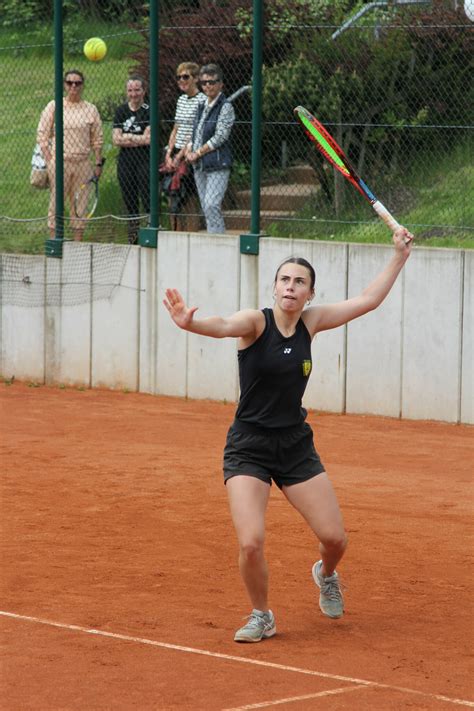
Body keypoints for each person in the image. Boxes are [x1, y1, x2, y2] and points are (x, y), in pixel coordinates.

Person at [163, 226, 414, 643]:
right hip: (248, 445)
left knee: (334, 538)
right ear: (274, 286)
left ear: (310, 294)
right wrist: (191, 324)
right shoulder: (255, 323)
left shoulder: (311, 324)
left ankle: (326, 574)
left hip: (295, 445)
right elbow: (223, 323)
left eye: (299, 282)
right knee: (251, 543)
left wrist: (399, 256)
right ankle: (262, 615)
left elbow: (368, 301)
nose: (291, 287)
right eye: (284, 279)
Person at [37, 69, 104, 241]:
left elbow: (97, 138)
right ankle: (55, 241)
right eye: (69, 83)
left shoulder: (90, 109)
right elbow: (42, 134)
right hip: (60, 162)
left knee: (80, 204)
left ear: (82, 85)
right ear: (64, 85)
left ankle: (77, 244)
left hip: (83, 163)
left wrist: (98, 162)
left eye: (78, 83)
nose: (74, 86)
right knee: (56, 201)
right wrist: (50, 159)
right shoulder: (54, 106)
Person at [185, 64, 235, 234]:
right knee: (206, 208)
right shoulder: (201, 106)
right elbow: (196, 133)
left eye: (212, 82)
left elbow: (220, 137)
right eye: (205, 83)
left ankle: (218, 239)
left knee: (212, 204)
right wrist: (189, 149)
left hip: (217, 163)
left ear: (221, 84)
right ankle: (212, 237)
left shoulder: (225, 107)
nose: (208, 86)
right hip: (199, 165)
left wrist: (198, 152)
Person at [162, 62, 205, 231]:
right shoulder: (181, 100)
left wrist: (180, 156)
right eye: (179, 77)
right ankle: (175, 232)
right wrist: (169, 153)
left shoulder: (202, 100)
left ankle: (193, 231)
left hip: (190, 153)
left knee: (189, 197)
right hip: (176, 153)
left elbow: (195, 131)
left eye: (186, 77)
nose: (181, 80)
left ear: (195, 79)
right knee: (172, 196)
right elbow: (176, 128)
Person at [113, 75, 151, 244]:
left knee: (147, 195)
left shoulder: (149, 110)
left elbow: (149, 139)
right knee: (129, 197)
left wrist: (127, 137)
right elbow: (115, 140)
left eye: (137, 90)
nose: (134, 94)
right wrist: (137, 138)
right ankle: (133, 234)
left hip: (145, 159)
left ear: (144, 91)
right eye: (130, 90)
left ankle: (151, 229)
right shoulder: (121, 111)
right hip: (126, 161)